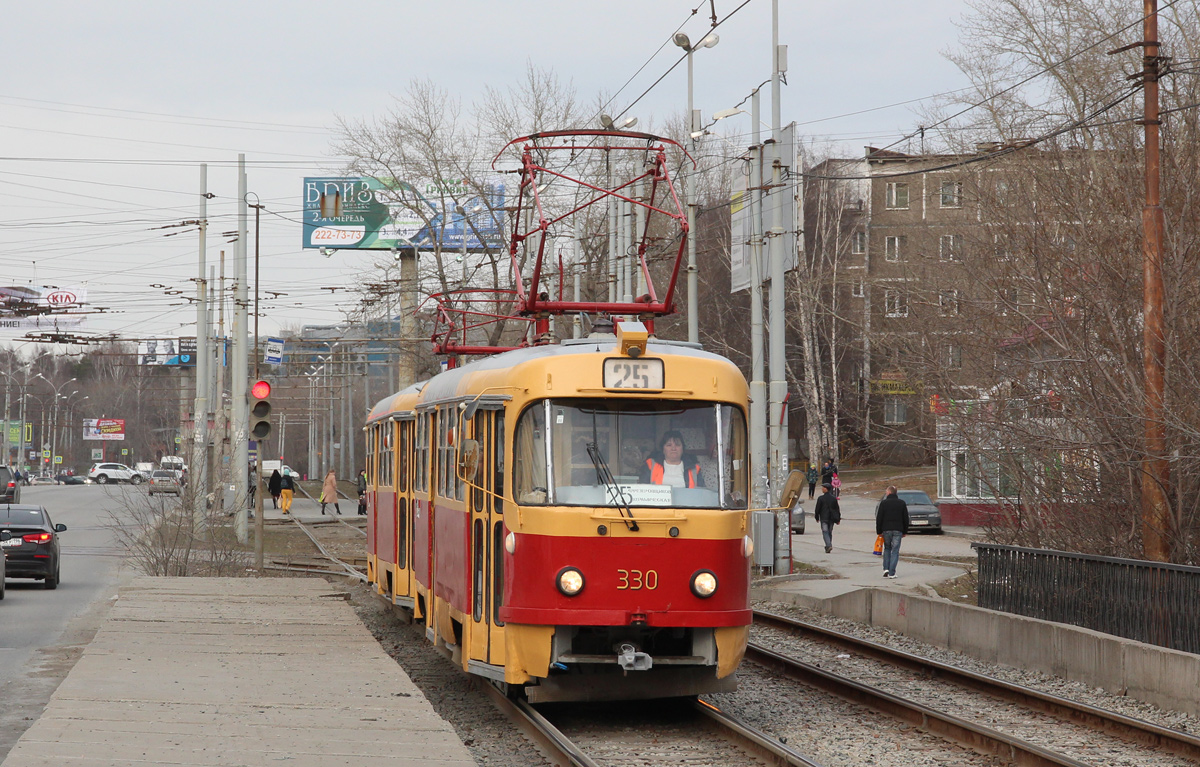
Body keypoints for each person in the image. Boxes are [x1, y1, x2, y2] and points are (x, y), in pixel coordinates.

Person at [639, 430, 703, 488]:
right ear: (663, 449)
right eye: (669, 445)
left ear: (682, 448)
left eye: (677, 445)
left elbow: (702, 493)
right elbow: (642, 489)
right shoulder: (651, 465)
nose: (673, 448)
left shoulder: (694, 469)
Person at [876, 485, 910, 579]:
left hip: (886, 530)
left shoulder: (884, 503)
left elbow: (879, 518)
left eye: (886, 492)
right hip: (898, 530)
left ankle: (886, 569)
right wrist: (905, 531)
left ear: (889, 492)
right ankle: (892, 573)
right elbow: (905, 518)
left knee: (887, 548)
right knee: (895, 551)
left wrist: (879, 531)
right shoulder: (901, 503)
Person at [813, 482, 841, 553]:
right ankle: (828, 546)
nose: (822, 489)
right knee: (829, 532)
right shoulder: (833, 498)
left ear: (827, 489)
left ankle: (828, 545)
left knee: (825, 532)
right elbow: (837, 509)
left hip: (824, 518)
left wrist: (817, 517)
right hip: (832, 518)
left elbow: (817, 509)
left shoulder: (821, 498)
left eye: (823, 487)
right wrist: (838, 518)